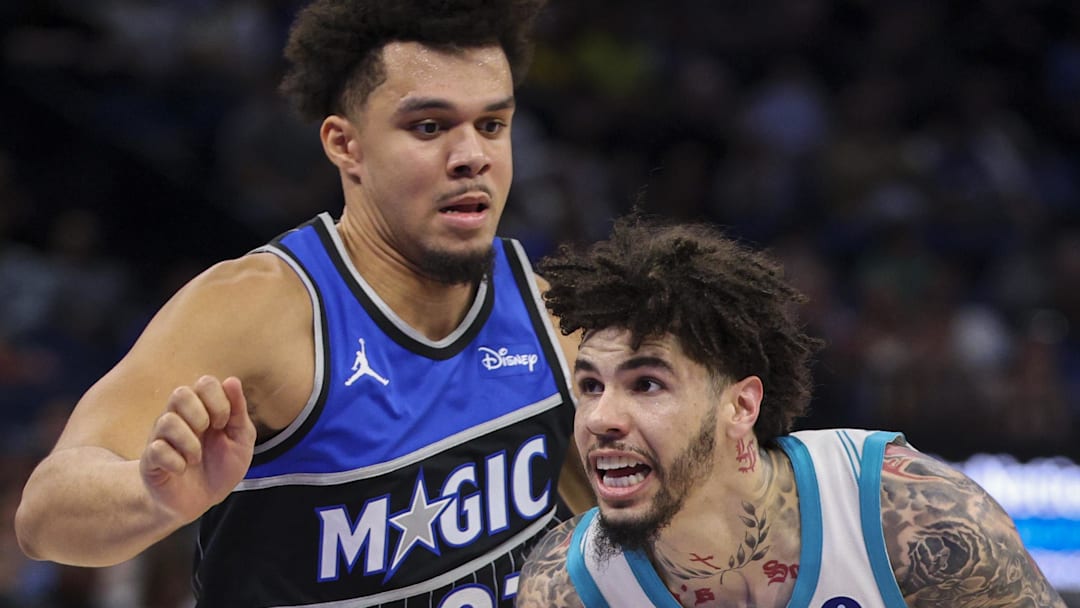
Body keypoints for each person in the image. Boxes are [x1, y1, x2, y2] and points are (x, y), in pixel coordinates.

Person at [14, 0, 594, 605]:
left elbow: (629, 536)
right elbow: (44, 514)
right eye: (429, 127)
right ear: (345, 145)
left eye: (492, 125)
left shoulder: (551, 313)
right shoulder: (258, 309)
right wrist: (149, 497)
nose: (472, 154)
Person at [515, 216, 1065, 607]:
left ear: (741, 404)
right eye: (589, 385)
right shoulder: (567, 587)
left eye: (647, 384)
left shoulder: (912, 516)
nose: (599, 419)